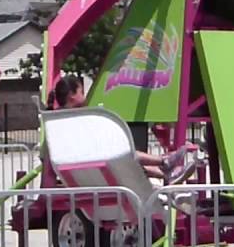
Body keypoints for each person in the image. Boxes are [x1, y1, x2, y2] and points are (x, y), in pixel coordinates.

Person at [47, 74, 189, 183]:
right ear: (72, 95)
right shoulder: (72, 117)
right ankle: (164, 163)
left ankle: (166, 171)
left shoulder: (61, 118)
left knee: (126, 159)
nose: (84, 95)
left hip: (82, 162)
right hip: (85, 163)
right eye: (81, 92)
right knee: (124, 154)